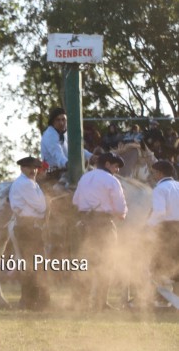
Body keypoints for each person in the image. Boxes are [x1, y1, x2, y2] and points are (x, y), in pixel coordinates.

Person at [72, 152, 127, 310]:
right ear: (108, 164)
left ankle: (81, 301)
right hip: (103, 224)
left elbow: (75, 200)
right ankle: (100, 302)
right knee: (106, 262)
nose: (117, 170)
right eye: (115, 166)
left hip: (84, 224)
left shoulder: (84, 177)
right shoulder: (112, 180)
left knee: (85, 263)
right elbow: (121, 208)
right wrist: (120, 215)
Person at [8, 156, 49, 310]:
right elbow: (41, 206)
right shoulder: (26, 184)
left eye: (36, 168)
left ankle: (29, 299)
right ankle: (30, 300)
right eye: (30, 168)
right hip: (28, 227)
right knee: (33, 265)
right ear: (22, 168)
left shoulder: (28, 183)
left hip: (26, 226)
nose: (34, 171)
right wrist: (43, 205)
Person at [147, 161, 179, 289]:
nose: (153, 176)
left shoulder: (160, 189)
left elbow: (160, 212)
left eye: (154, 173)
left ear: (160, 174)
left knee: (160, 263)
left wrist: (147, 225)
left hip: (167, 229)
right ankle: (175, 301)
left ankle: (161, 298)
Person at [41, 107, 68, 172]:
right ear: (52, 122)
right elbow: (57, 154)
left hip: (64, 170)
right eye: (58, 120)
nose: (61, 123)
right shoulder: (50, 135)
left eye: (63, 119)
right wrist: (68, 164)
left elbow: (76, 149)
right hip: (52, 174)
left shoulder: (65, 133)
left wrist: (90, 156)